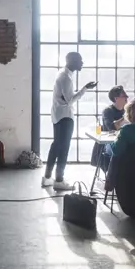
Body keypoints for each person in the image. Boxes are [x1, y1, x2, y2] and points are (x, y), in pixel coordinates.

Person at [43, 52, 97, 190]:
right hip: (65, 117)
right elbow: (70, 100)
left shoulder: (62, 74)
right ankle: (59, 180)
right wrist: (85, 89)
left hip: (58, 115)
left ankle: (47, 177)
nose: (82, 63)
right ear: (71, 61)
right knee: (63, 148)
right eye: (79, 60)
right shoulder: (66, 78)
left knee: (56, 146)